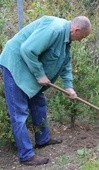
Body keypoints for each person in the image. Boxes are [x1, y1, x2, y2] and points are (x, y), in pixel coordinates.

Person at [0, 15, 91, 166]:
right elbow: (27, 49)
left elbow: (65, 63)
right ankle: (26, 155)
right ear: (76, 30)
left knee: (39, 103)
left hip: (28, 67)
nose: (81, 40)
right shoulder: (54, 30)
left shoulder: (66, 39)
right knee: (19, 113)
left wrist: (69, 86)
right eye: (82, 37)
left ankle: (42, 139)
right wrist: (40, 74)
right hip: (15, 65)